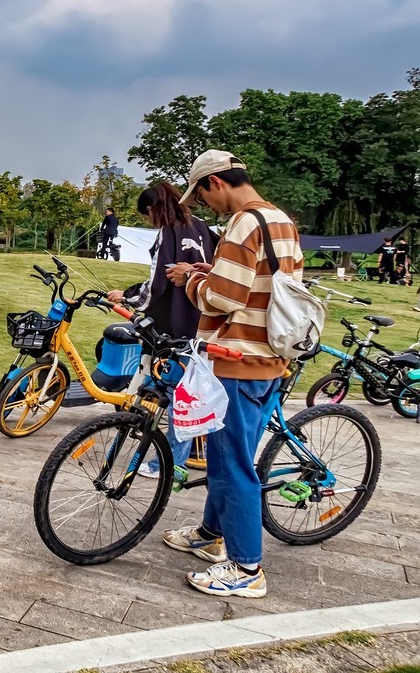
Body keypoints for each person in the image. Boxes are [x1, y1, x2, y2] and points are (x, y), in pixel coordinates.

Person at [163, 150, 302, 599]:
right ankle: (210, 532)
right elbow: (261, 284)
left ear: (216, 182)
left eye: (202, 196)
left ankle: (246, 567)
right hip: (268, 359)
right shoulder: (281, 220)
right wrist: (211, 271)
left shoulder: (244, 221)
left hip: (236, 361)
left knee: (231, 464)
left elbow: (222, 299)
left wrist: (188, 278)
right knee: (230, 455)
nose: (205, 206)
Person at [106, 182, 215, 477]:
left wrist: (127, 296)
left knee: (173, 395)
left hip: (174, 326)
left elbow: (156, 285)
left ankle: (167, 464)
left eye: (146, 215)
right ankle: (167, 454)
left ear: (152, 209)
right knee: (178, 392)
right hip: (201, 323)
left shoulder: (169, 230)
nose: (148, 221)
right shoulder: (203, 226)